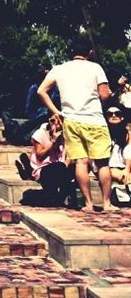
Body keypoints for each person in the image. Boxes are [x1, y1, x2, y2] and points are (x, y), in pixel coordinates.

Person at [38, 35, 113, 213]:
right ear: (90, 51)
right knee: (102, 163)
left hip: (71, 119)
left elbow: (42, 91)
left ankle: (87, 203)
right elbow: (104, 95)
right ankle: (107, 203)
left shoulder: (59, 69)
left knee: (80, 162)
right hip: (94, 119)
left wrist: (57, 112)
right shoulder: (95, 68)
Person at [15, 114, 73, 207]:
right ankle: (31, 192)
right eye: (53, 121)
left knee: (75, 168)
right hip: (43, 168)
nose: (56, 124)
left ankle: (61, 197)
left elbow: (70, 155)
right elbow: (40, 156)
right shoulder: (40, 134)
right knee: (58, 168)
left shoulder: (66, 135)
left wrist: (65, 165)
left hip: (60, 167)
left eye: (60, 121)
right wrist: (53, 141)